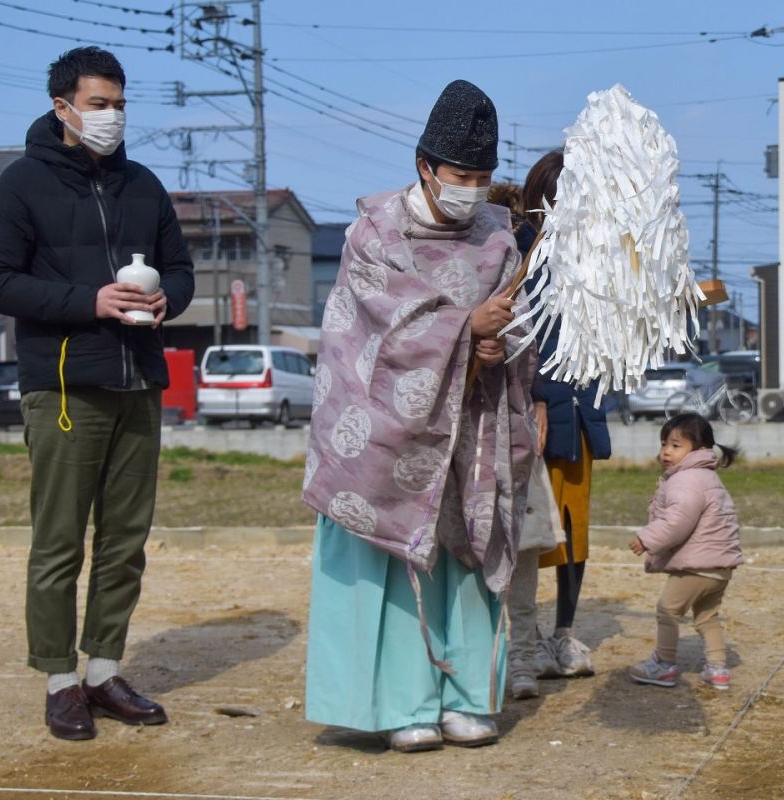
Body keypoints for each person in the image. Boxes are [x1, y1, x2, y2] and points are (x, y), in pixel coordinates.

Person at [302, 79, 537, 753]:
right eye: (461, 175)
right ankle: (400, 701)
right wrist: (466, 329)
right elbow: (375, 330)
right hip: (382, 433)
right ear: (424, 166)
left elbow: (520, 328)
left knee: (467, 550)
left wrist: (496, 343)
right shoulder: (375, 233)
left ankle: (467, 696)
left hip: (472, 424)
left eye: (484, 177)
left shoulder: (499, 236)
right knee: (393, 560)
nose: (472, 188)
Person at [0, 46, 195, 740]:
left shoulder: (143, 186)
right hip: (65, 387)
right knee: (60, 542)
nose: (112, 117)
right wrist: (87, 301)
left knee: (126, 540)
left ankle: (103, 669)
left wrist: (169, 304)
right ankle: (59, 679)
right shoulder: (21, 185)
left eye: (120, 104)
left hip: (137, 381)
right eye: (99, 104)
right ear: (62, 107)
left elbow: (181, 270)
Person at [509, 151, 613, 697]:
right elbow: (522, 337)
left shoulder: (593, 259)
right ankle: (523, 637)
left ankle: (563, 633)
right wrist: (538, 399)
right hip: (533, 413)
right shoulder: (519, 249)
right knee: (527, 533)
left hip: (581, 411)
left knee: (574, 532)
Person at [628, 413, 743, 691]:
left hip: (697, 565)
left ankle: (664, 664)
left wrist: (647, 539)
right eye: (664, 444)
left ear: (700, 449)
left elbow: (678, 520)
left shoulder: (686, 480)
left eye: (676, 445)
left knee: (667, 610)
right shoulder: (707, 477)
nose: (666, 451)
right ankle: (717, 670)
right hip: (720, 567)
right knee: (707, 616)